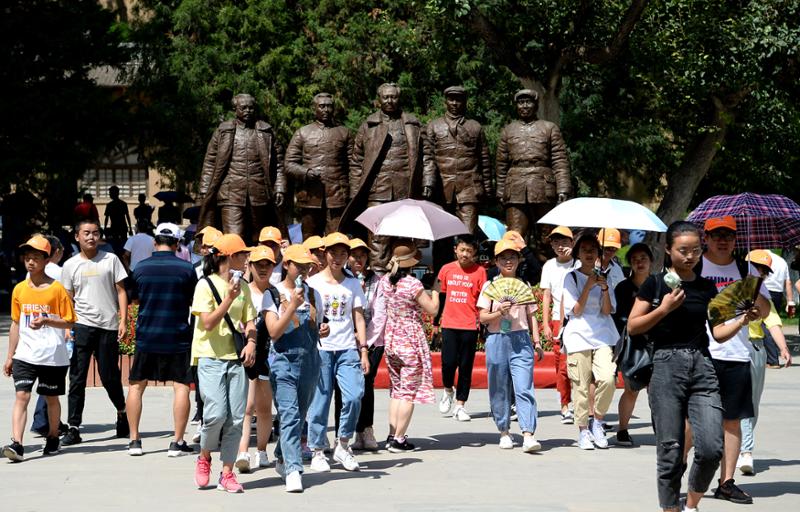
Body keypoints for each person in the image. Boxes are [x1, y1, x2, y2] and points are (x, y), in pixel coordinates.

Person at [628, 221, 761, 512]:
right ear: (668, 249)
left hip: (702, 365)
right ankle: (671, 508)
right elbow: (633, 326)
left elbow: (718, 333)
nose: (690, 256)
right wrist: (663, 309)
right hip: (666, 365)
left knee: (712, 447)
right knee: (670, 449)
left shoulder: (706, 286)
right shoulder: (655, 284)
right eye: (683, 250)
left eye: (696, 250)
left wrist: (742, 320)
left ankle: (691, 504)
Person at [698, 216, 769, 504]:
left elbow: (765, 310)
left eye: (728, 235)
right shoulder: (695, 266)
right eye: (716, 235)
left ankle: (726, 482)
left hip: (737, 354)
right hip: (700, 352)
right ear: (706, 238)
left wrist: (755, 296)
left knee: (732, 422)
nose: (722, 240)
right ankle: (677, 473)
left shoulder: (746, 270)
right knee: (691, 423)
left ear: (736, 239)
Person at [341, 83, 435, 270]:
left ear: (399, 98)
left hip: (406, 190)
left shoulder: (413, 124)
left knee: (404, 239)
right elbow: (356, 161)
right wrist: (355, 190)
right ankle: (378, 277)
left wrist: (428, 181)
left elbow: (427, 156)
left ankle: (403, 278)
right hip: (377, 189)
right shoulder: (368, 126)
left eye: (393, 97)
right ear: (379, 100)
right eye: (386, 97)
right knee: (378, 237)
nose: (390, 101)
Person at [191, 234, 257, 493]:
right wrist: (229, 298)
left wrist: (251, 342)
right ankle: (204, 456)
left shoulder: (244, 287)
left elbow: (250, 321)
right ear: (229, 257)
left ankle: (227, 473)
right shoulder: (205, 285)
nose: (246, 259)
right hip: (210, 357)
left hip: (236, 359)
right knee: (215, 414)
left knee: (236, 419)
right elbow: (207, 323)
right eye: (242, 254)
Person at [125, 223, 196, 457]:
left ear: (155, 243)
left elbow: (134, 300)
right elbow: (192, 301)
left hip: (147, 336)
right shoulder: (187, 269)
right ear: (177, 244)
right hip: (177, 336)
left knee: (136, 385)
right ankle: (177, 442)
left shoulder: (140, 268)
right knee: (181, 386)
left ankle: (134, 441)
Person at [2, 236, 76, 461]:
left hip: (52, 355)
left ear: (46, 260)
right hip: (25, 354)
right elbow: (16, 324)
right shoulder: (19, 289)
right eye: (27, 258)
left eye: (35, 258)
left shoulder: (57, 290)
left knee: (51, 398)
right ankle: (17, 444)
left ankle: (53, 436)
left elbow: (70, 321)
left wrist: (47, 320)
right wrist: (10, 356)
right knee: (21, 396)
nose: (31, 262)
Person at [263, 244, 327, 493]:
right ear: (286, 264)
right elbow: (273, 332)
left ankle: (282, 455)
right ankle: (293, 469)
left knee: (299, 417)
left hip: (310, 362)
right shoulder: (273, 294)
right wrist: (291, 306)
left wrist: (323, 329)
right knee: (289, 415)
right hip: (283, 363)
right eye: (298, 265)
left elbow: (318, 326)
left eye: (306, 266)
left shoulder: (314, 295)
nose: (303, 270)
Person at [60, 219, 129, 446]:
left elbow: (121, 291)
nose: (91, 237)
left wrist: (123, 320)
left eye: (95, 233)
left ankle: (122, 412)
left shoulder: (111, 259)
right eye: (86, 233)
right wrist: (68, 327)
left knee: (109, 376)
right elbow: (67, 299)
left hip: (107, 326)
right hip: (81, 326)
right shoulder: (70, 265)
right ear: (77, 236)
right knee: (77, 378)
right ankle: (73, 427)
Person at [306, 232, 369, 471]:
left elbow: (359, 317)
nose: (338, 257)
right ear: (325, 254)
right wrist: (316, 328)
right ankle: (317, 451)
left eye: (343, 253)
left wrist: (363, 350)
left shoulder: (352, 283)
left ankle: (343, 444)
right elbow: (309, 316)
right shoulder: (313, 282)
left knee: (354, 395)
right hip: (321, 350)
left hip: (347, 348)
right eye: (334, 253)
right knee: (320, 402)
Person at [369, 239, 438, 451]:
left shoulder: (385, 281)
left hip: (392, 339)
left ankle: (392, 435)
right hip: (410, 340)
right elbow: (432, 310)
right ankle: (399, 439)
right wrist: (436, 289)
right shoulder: (412, 284)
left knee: (397, 390)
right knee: (408, 393)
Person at [478, 238, 543, 452]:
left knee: (524, 387)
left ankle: (528, 434)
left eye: (512, 257)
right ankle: (504, 431)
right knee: (499, 388)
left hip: (521, 339)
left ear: (518, 260)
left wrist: (537, 341)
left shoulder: (524, 285)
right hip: (497, 338)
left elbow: (532, 315)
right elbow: (483, 317)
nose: (508, 261)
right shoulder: (490, 286)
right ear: (496, 261)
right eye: (503, 258)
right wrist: (499, 312)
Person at [198, 93, 286, 241]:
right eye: (243, 108)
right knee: (233, 238)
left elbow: (278, 163)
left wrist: (280, 187)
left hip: (259, 194)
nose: (248, 111)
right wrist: (205, 188)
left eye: (251, 108)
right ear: (235, 109)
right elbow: (210, 161)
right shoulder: (223, 131)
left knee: (259, 238)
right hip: (230, 194)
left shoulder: (266, 131)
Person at [561, 233, 619, 450]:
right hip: (578, 337)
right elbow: (575, 311)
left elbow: (607, 310)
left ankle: (598, 421)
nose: (588, 253)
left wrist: (604, 288)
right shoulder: (571, 277)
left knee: (608, 378)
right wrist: (588, 286)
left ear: (598, 253)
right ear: (577, 253)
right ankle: (583, 430)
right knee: (581, 386)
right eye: (584, 249)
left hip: (603, 335)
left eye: (593, 250)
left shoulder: (605, 277)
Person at [737, 250, 793, 476]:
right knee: (733, 401)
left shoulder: (763, 295)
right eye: (755, 268)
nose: (759, 274)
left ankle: (745, 449)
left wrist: (783, 348)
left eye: (763, 271)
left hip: (756, 348)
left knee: (751, 402)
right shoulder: (728, 288)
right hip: (730, 349)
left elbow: (772, 321)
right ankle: (740, 448)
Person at [495, 89, 571, 244]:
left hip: (543, 187)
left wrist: (563, 188)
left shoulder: (549, 128)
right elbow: (501, 164)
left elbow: (559, 160)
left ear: (536, 105)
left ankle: (546, 259)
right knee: (514, 235)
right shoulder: (508, 130)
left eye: (528, 102)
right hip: (515, 188)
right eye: (521, 103)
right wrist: (501, 190)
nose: (524, 106)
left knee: (547, 235)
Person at [281, 92, 351, 239]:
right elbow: (289, 164)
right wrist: (305, 172)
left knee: (336, 238)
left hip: (337, 195)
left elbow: (353, 164)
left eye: (329, 106)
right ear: (314, 109)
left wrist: (353, 191)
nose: (326, 110)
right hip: (310, 195)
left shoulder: (344, 133)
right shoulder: (303, 133)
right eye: (322, 106)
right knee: (310, 239)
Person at [425, 85, 492, 234]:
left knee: (468, 234)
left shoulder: (475, 127)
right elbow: (428, 157)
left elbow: (485, 160)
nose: (454, 103)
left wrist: (487, 190)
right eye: (451, 99)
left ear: (465, 102)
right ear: (445, 102)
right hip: (441, 188)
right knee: (442, 236)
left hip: (469, 188)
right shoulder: (434, 126)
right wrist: (428, 184)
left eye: (459, 100)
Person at [435, 235, 487, 421]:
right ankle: (448, 389)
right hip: (449, 324)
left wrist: (483, 326)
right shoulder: (446, 269)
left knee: (465, 366)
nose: (465, 254)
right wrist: (435, 322)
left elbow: (483, 300)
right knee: (448, 364)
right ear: (455, 249)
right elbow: (440, 297)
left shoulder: (480, 271)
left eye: (469, 251)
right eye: (462, 250)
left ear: (474, 253)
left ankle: (460, 405)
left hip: (470, 325)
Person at [234, 245, 276, 473]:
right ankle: (243, 451)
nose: (263, 269)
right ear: (249, 266)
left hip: (269, 355)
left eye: (267, 265)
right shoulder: (241, 290)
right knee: (247, 406)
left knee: (264, 407)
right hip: (245, 353)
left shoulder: (276, 293)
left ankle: (261, 450)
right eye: (258, 264)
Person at [611, 243, 653, 446]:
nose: (639, 262)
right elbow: (618, 318)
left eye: (643, 258)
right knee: (631, 390)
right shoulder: (623, 288)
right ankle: (622, 429)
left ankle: (663, 430)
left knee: (657, 392)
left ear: (651, 260)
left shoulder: (660, 285)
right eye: (635, 259)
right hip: (633, 346)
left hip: (658, 345)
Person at [347, 238, 383, 450]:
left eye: (362, 255)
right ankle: (348, 431)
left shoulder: (376, 281)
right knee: (346, 388)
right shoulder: (343, 279)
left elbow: (379, 315)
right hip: (345, 340)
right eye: (354, 255)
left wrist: (364, 341)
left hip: (371, 341)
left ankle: (366, 429)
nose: (358, 259)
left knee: (366, 383)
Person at [540, 225, 576, 424]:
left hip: (578, 319)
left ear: (572, 242)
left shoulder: (580, 264)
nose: (560, 246)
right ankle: (565, 404)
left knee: (574, 363)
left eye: (564, 242)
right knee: (560, 364)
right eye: (556, 242)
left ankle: (575, 402)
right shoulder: (549, 266)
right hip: (557, 320)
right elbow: (546, 295)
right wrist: (546, 323)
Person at [761, 249, 792, 367]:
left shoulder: (754, 257)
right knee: (771, 323)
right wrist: (790, 301)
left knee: (766, 326)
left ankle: (772, 359)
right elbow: (788, 282)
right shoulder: (781, 260)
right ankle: (772, 358)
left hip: (763, 290)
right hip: (777, 293)